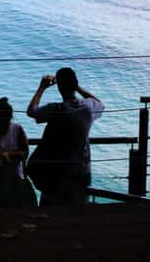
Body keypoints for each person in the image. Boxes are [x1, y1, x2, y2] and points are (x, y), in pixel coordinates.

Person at [26, 67, 104, 206]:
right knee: (78, 212)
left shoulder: (55, 109)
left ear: (59, 88)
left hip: (55, 171)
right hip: (81, 170)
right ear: (75, 83)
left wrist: (42, 88)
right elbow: (100, 104)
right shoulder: (88, 108)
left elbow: (31, 111)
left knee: (50, 209)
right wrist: (77, 87)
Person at [0, 97, 36, 208]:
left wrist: (9, 155)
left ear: (9, 119)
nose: (2, 126)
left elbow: (25, 153)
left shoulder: (17, 129)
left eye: (5, 123)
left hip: (14, 176)